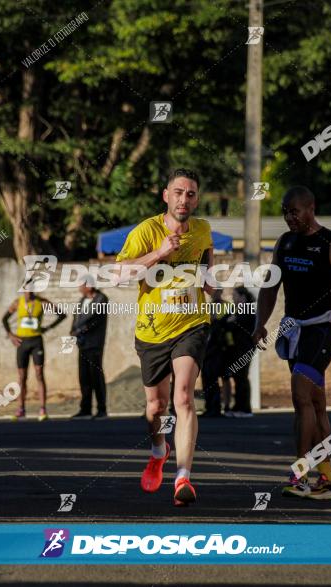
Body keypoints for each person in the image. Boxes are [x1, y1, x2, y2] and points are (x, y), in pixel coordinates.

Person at [253, 186, 331, 500]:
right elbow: (269, 287)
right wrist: (259, 323)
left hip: (325, 329)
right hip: (296, 330)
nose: (290, 217)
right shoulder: (285, 243)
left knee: (301, 395)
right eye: (285, 211)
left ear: (311, 208)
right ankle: (327, 481)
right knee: (315, 406)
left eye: (295, 211)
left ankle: (299, 475)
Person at [115, 167, 216, 507]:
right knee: (155, 407)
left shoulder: (202, 229)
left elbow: (206, 260)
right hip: (153, 331)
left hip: (192, 324)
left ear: (196, 199)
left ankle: (183, 477)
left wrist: (212, 286)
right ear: (166, 195)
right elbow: (118, 274)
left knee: (184, 397)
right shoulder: (147, 231)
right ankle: (159, 450)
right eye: (178, 192)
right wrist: (158, 253)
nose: (183, 199)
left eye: (190, 194)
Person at [2, 289, 64, 421]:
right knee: (22, 377)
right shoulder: (18, 303)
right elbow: (4, 319)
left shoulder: (41, 302)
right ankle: (21, 409)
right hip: (22, 343)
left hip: (36, 341)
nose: (29, 293)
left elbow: (61, 315)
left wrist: (48, 328)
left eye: (31, 290)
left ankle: (42, 409)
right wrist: (11, 335)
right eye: (26, 290)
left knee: (39, 374)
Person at [70, 276, 109, 420]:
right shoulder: (82, 301)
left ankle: (102, 409)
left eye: (82, 285)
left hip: (95, 344)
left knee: (96, 376)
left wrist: (81, 330)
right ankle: (85, 409)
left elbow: (96, 320)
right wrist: (73, 331)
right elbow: (76, 319)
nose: (79, 288)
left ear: (89, 286)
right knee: (84, 377)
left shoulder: (101, 299)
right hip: (82, 344)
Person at [200, 289, 231, 418]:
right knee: (207, 379)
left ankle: (220, 407)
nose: (215, 294)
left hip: (221, 349)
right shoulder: (207, 307)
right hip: (207, 350)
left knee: (222, 378)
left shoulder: (228, 306)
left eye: (218, 291)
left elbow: (227, 326)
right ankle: (210, 407)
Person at [226, 286, 256, 418]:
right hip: (236, 348)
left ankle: (245, 409)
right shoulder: (236, 311)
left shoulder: (248, 311)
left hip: (245, 348)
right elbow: (225, 322)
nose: (233, 298)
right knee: (237, 377)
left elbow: (235, 323)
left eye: (235, 295)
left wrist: (233, 320)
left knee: (242, 377)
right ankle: (238, 406)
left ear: (242, 297)